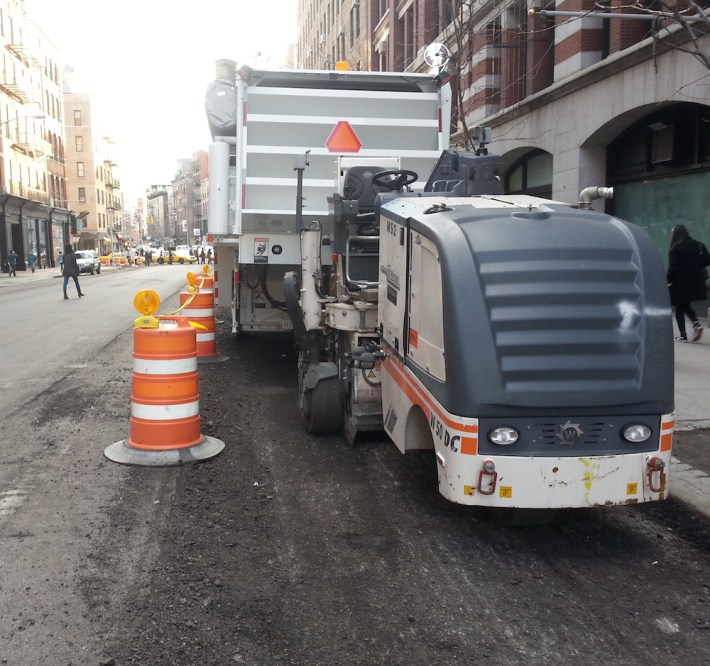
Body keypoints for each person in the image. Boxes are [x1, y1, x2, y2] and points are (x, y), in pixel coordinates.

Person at [667, 224, 710, 342]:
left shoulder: (675, 248)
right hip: (696, 282)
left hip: (680, 283)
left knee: (679, 307)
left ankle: (683, 335)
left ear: (675, 235)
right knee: (684, 305)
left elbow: (672, 269)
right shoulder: (699, 245)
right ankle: (696, 325)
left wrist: (667, 281)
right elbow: (707, 260)